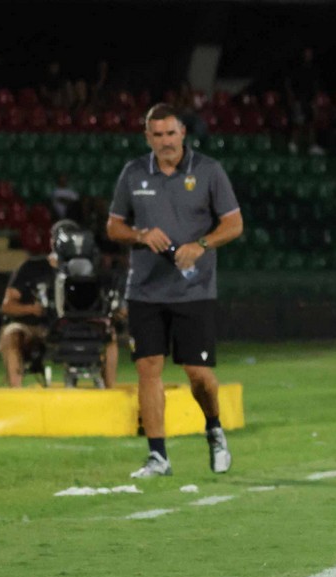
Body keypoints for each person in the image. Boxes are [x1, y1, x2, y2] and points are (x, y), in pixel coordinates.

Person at [106, 103, 243, 478]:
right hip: (145, 289)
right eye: (157, 135)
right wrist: (139, 234)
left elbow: (233, 224)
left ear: (183, 133)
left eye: (171, 133)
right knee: (147, 369)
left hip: (193, 289)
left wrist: (201, 244)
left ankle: (214, 428)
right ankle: (158, 456)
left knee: (197, 372)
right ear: (147, 137)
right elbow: (114, 227)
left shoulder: (208, 170)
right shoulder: (134, 173)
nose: (165, 142)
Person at [0, 219, 119, 388]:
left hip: (75, 323)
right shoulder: (32, 267)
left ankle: (110, 389)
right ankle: (16, 390)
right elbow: (7, 305)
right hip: (36, 327)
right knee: (12, 334)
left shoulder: (88, 269)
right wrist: (31, 309)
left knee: (109, 334)